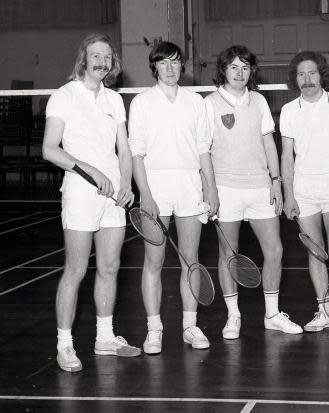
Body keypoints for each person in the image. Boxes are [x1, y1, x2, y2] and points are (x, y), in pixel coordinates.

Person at [42, 33, 141, 372]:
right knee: (76, 269)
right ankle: (65, 345)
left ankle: (104, 338)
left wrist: (126, 184)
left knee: (110, 267)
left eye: (107, 57)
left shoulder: (114, 100)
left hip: (113, 194)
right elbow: (50, 149)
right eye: (95, 55)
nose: (102, 61)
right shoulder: (64, 96)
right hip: (81, 193)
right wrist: (90, 170)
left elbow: (124, 150)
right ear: (83, 59)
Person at [204, 45, 302, 339]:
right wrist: (210, 191)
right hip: (225, 189)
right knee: (228, 254)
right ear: (223, 70)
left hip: (260, 187)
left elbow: (269, 143)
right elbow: (203, 151)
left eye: (245, 67)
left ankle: (271, 314)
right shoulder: (208, 103)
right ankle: (234, 316)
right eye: (234, 67)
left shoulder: (258, 101)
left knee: (275, 250)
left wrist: (276, 181)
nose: (239, 73)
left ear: (251, 72)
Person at [128, 41, 214, 354]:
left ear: (182, 65)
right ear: (155, 67)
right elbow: (137, 153)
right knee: (154, 261)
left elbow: (204, 149)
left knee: (190, 260)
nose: (170, 68)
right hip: (156, 187)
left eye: (175, 62)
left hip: (190, 185)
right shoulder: (141, 102)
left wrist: (211, 189)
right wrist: (145, 195)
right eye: (163, 63)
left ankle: (190, 326)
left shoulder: (196, 102)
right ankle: (154, 329)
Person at [280, 51, 329, 340]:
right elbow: (287, 156)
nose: (307, 79)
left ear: (321, 74)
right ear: (294, 78)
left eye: (312, 73)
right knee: (315, 252)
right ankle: (323, 311)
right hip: (304, 192)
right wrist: (288, 195)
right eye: (301, 74)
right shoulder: (289, 110)